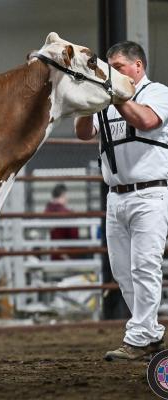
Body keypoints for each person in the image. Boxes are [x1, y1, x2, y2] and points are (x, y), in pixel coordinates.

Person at [74, 41, 168, 361]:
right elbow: (83, 134)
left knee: (144, 266)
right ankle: (150, 332)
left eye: (118, 67)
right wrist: (88, 101)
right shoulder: (108, 102)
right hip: (116, 196)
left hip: (151, 193)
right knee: (123, 271)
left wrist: (113, 92)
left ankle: (139, 336)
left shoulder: (156, 93)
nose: (113, 72)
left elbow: (146, 122)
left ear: (137, 67)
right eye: (110, 67)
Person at [44, 183, 79, 260]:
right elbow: (74, 235)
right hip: (66, 255)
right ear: (63, 195)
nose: (67, 199)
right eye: (66, 196)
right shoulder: (67, 213)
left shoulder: (46, 212)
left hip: (50, 255)